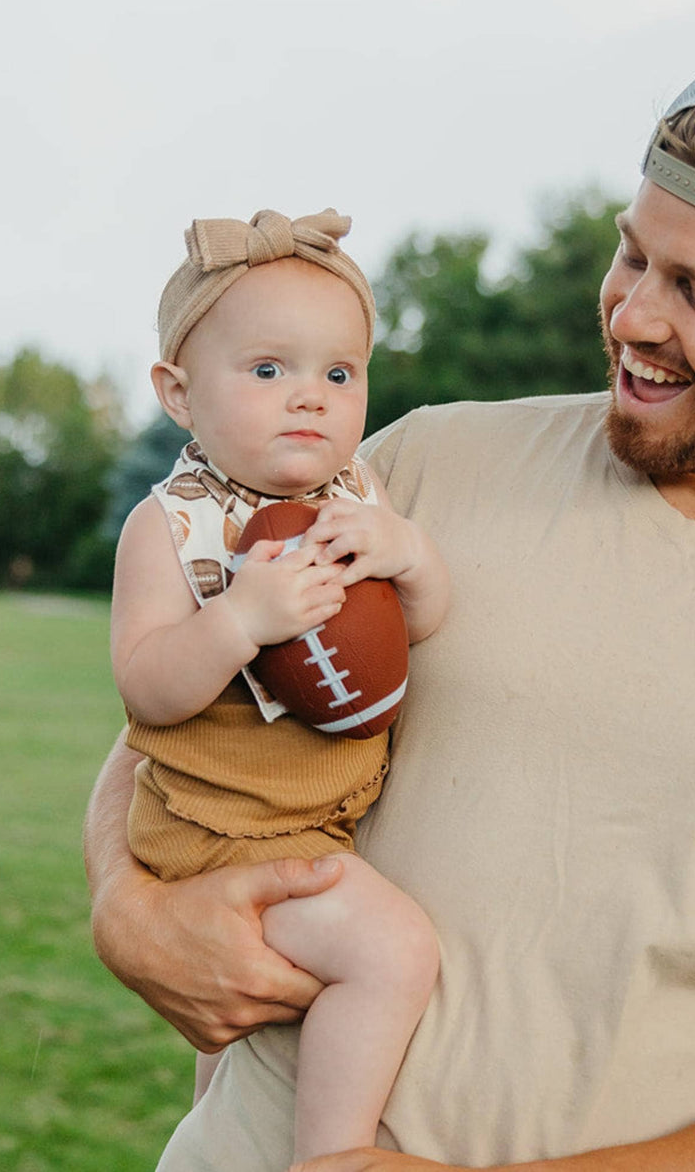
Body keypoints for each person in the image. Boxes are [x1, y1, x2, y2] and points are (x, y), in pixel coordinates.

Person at [85, 35, 695, 1172]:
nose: (632, 315)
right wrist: (127, 908)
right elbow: (165, 723)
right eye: (632, 254)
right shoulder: (422, 466)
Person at [108, 208, 447, 1162]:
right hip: (221, 826)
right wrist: (239, 620)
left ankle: (213, 1140)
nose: (310, 398)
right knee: (392, 950)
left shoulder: (359, 495)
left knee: (237, 1059)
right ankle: (332, 1155)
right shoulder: (170, 528)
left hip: (315, 813)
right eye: (268, 371)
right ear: (179, 391)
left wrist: (409, 556)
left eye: (338, 374)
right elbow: (146, 689)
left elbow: (416, 627)